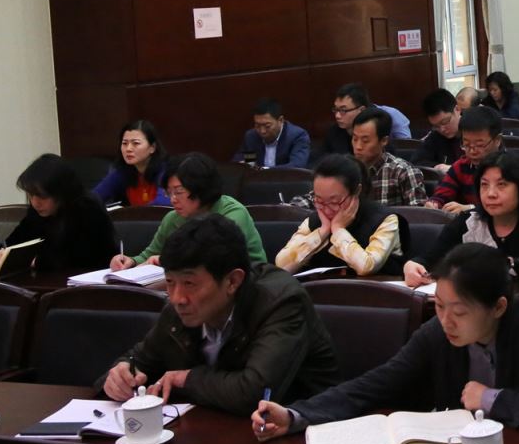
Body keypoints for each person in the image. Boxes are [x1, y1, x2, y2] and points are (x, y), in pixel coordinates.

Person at [253, 243, 519, 435]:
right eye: (438, 306)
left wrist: (489, 398)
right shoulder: (438, 331)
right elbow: (376, 384)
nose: (446, 321)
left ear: (498, 307)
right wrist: (295, 416)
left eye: (459, 311)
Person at [102, 213, 338, 413]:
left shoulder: (281, 302)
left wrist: (186, 379)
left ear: (232, 281)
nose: (177, 298)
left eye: (189, 283)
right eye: (170, 282)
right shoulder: (179, 308)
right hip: (209, 429)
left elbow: (256, 392)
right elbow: (139, 359)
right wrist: (120, 374)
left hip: (299, 430)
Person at [404, 151, 519, 284]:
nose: (490, 194)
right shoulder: (469, 221)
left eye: (502, 185)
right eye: (484, 185)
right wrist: (413, 265)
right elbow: (431, 259)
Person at [112, 153, 265, 270]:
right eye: (169, 192)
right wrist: (131, 261)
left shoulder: (232, 213)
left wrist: (168, 261)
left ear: (201, 188)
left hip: (246, 284)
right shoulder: (173, 218)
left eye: (179, 192)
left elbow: (215, 260)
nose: (173, 199)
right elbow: (149, 255)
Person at [274, 155, 403, 276]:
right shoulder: (314, 221)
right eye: (319, 200)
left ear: (356, 191)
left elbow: (366, 266)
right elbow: (282, 265)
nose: (327, 210)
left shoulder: (386, 221)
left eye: (334, 202)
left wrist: (338, 230)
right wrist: (323, 232)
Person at [0, 154, 115, 273]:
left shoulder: (87, 207)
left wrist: (37, 261)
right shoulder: (37, 212)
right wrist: (0, 255)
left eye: (42, 196)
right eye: (30, 195)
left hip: (92, 279)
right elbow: (15, 241)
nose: (35, 203)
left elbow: (79, 258)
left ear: (61, 193)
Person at [426, 105, 504, 212]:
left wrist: (470, 208)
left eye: (479, 145)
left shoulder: (510, 169)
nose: (472, 151)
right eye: (466, 145)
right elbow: (442, 194)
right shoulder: (460, 166)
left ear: (497, 140)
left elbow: (505, 206)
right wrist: (434, 203)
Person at [351, 107, 427, 207]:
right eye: (355, 139)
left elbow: (419, 215)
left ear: (384, 141)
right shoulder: (346, 171)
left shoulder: (404, 172)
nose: (358, 146)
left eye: (365, 141)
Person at [93, 120, 170, 207]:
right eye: (124, 143)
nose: (128, 149)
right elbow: (93, 199)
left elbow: (162, 205)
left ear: (152, 147)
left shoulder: (166, 171)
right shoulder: (121, 172)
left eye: (136, 143)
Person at [323, 83, 411, 155]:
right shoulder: (334, 131)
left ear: (361, 110)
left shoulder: (386, 121)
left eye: (343, 110)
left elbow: (407, 149)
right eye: (336, 110)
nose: (337, 116)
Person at [231, 98, 311, 169]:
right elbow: (246, 160)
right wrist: (244, 163)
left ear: (280, 120)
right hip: (256, 180)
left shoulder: (297, 136)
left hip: (286, 180)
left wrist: (264, 170)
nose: (262, 131)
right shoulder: (251, 136)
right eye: (257, 125)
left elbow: (296, 166)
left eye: (267, 126)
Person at [412, 89, 463, 170]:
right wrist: (438, 167)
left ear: (457, 109)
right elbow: (416, 162)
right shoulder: (435, 136)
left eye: (445, 122)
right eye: (436, 126)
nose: (442, 129)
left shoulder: (477, 129)